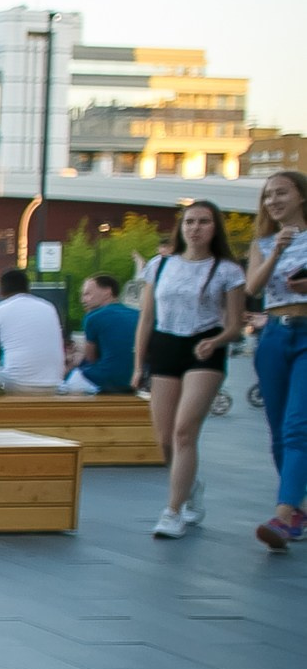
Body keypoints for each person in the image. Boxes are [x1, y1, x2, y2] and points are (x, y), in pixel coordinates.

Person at [136, 199, 246, 539]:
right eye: (189, 222)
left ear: (215, 228)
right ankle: (189, 487)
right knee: (164, 438)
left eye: (203, 222)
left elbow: (236, 324)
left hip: (204, 348)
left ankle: (173, 510)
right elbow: (146, 318)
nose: (195, 228)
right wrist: (139, 364)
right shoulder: (160, 265)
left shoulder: (228, 270)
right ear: (180, 228)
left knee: (185, 431)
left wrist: (217, 341)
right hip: (166, 346)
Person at [246, 169, 307, 550]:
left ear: (301, 196)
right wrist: (278, 252)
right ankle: (298, 507)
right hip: (273, 335)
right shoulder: (264, 242)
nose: (273, 201)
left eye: (281, 193)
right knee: (277, 427)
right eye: (268, 196)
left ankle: (283, 516)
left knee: (298, 426)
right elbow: (252, 287)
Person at [0, 268, 66, 395]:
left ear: (0, 290)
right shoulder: (49, 307)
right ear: (28, 288)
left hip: (17, 385)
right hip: (54, 384)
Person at [61, 274, 138, 396]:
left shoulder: (93, 317)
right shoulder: (137, 315)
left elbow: (90, 358)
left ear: (107, 292)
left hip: (104, 379)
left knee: (62, 388)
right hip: (133, 379)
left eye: (88, 294)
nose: (83, 300)